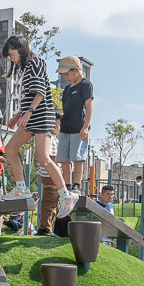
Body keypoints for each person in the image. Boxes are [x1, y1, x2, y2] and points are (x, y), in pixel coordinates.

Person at [2, 37, 76, 219]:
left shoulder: (34, 62)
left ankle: (66, 196)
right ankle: (21, 188)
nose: (12, 59)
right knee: (10, 148)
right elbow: (30, 94)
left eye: (12, 55)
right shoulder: (27, 67)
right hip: (31, 115)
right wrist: (19, 115)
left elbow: (40, 91)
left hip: (41, 115)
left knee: (43, 158)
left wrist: (27, 113)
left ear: (20, 49)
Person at [55, 55, 93, 193]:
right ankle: (67, 184)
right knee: (63, 158)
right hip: (65, 128)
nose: (66, 77)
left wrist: (86, 127)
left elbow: (89, 106)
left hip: (79, 128)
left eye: (67, 74)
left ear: (76, 70)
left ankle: (77, 185)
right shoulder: (67, 89)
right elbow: (64, 109)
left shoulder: (86, 85)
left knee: (77, 157)